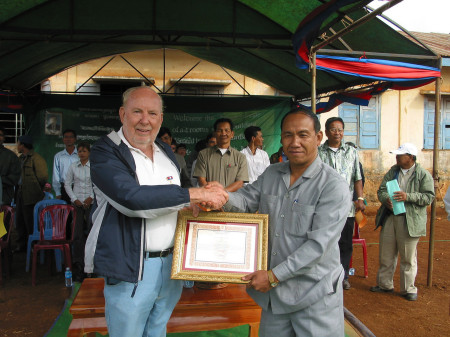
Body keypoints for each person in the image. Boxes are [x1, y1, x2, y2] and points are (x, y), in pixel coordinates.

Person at [84, 86, 228, 337]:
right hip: (131, 267)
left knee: (158, 330)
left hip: (171, 264)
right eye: (137, 111)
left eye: (152, 113)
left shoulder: (165, 151)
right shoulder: (106, 151)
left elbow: (176, 196)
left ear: (161, 118)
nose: (145, 120)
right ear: (122, 114)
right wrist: (196, 194)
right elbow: (131, 199)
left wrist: (193, 204)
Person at [224, 107, 351, 337]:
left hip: (315, 295)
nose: (295, 142)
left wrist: (272, 276)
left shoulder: (333, 186)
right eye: (288, 135)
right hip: (276, 297)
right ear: (281, 138)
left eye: (303, 135)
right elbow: (244, 201)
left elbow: (317, 247)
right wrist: (220, 196)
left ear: (318, 138)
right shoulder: (272, 174)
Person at [370, 143, 434, 301]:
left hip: (410, 219)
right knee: (386, 253)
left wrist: (408, 196)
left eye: (400, 155)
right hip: (391, 217)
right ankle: (385, 285)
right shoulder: (393, 171)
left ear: (411, 158)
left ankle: (409, 289)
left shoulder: (423, 175)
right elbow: (382, 190)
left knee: (408, 256)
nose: (397, 157)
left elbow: (428, 197)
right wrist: (386, 200)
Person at [318, 117, 365, 290]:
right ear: (326, 132)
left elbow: (357, 178)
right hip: (326, 207)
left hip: (348, 209)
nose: (337, 133)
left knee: (345, 243)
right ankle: (327, 275)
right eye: (333, 129)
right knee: (327, 242)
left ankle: (343, 276)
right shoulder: (319, 152)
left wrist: (360, 199)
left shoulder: (351, 152)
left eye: (340, 129)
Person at [64, 141, 94, 282]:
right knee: (77, 235)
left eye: (84, 151)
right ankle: (79, 266)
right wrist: (74, 199)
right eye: (80, 151)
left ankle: (92, 267)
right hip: (76, 204)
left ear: (89, 152)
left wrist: (91, 198)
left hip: (91, 204)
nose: (82, 153)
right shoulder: (73, 166)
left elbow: (98, 184)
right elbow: (67, 184)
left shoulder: (93, 167)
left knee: (91, 234)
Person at [193, 118, 249, 192]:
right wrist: (212, 195)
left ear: (232, 134)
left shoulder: (240, 157)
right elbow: (201, 179)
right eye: (220, 130)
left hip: (232, 201)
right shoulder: (203, 154)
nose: (223, 133)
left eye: (226, 130)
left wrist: (222, 194)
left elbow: (240, 183)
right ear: (215, 134)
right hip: (210, 200)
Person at [15, 135, 48, 251]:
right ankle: (22, 245)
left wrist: (36, 190)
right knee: (19, 220)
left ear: (23, 145)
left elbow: (43, 177)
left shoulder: (36, 158)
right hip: (20, 193)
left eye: (18, 143)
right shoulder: (21, 159)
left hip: (32, 195)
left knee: (30, 222)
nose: (17, 146)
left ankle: (34, 247)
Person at [52, 129, 78, 203]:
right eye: (66, 137)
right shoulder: (58, 156)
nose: (68, 139)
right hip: (64, 188)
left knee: (77, 212)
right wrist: (57, 192)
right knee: (65, 213)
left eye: (71, 137)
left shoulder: (80, 155)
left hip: (78, 187)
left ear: (75, 139)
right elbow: (55, 176)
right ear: (63, 139)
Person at [0, 126, 21, 206]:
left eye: (0, 135)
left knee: (3, 219)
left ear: (4, 138)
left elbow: (15, 178)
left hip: (3, 200)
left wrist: (1, 181)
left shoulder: (11, 156)